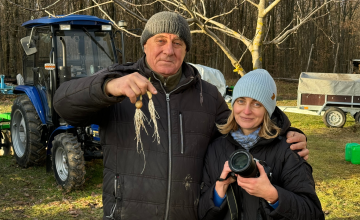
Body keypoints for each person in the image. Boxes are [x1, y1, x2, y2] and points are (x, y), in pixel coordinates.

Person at [53, 11, 309, 220]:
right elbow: (63, 105)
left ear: (186, 50)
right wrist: (107, 87)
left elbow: (243, 122)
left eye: (177, 43)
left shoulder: (206, 96)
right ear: (145, 45)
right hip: (128, 213)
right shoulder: (119, 82)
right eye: (160, 40)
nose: (169, 50)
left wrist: (286, 131)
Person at [198, 69, 324, 220]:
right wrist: (219, 190)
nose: (246, 111)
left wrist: (273, 195)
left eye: (256, 104)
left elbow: (313, 213)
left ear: (267, 110)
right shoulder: (215, 148)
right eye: (241, 101)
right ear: (233, 104)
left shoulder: (288, 149)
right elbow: (201, 213)